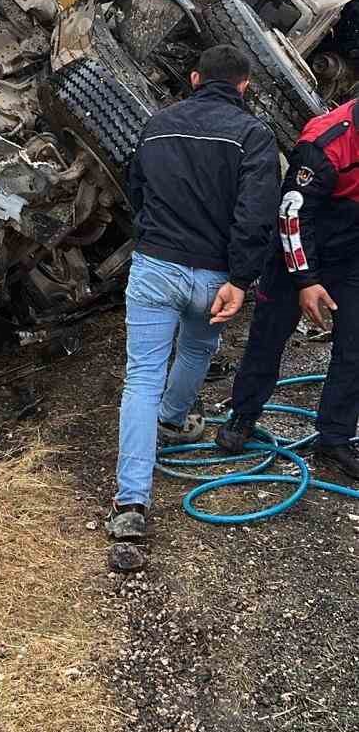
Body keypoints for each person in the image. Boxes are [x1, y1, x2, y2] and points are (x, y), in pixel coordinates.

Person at [107, 43, 280, 541]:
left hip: (155, 267)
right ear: (245, 85)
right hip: (213, 274)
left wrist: (153, 234)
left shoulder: (156, 124)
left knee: (140, 376)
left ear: (195, 77)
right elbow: (255, 216)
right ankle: (174, 419)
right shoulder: (254, 135)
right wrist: (241, 281)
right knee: (200, 345)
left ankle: (132, 502)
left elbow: (134, 189)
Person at [216, 95, 359, 479]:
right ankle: (243, 416)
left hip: (351, 253)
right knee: (269, 334)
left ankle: (334, 438)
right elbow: (292, 215)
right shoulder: (324, 143)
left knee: (355, 346)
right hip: (296, 244)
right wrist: (306, 281)